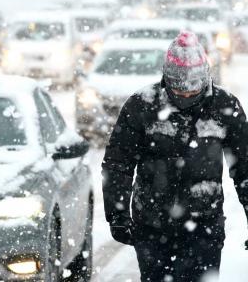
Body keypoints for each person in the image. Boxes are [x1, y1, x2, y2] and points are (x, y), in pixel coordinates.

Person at [101, 31, 248, 282]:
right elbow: (118, 164)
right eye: (180, 91)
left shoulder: (224, 107)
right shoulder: (141, 106)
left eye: (193, 90)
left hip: (205, 226)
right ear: (167, 79)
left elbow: (245, 168)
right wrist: (117, 215)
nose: (187, 96)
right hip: (151, 227)